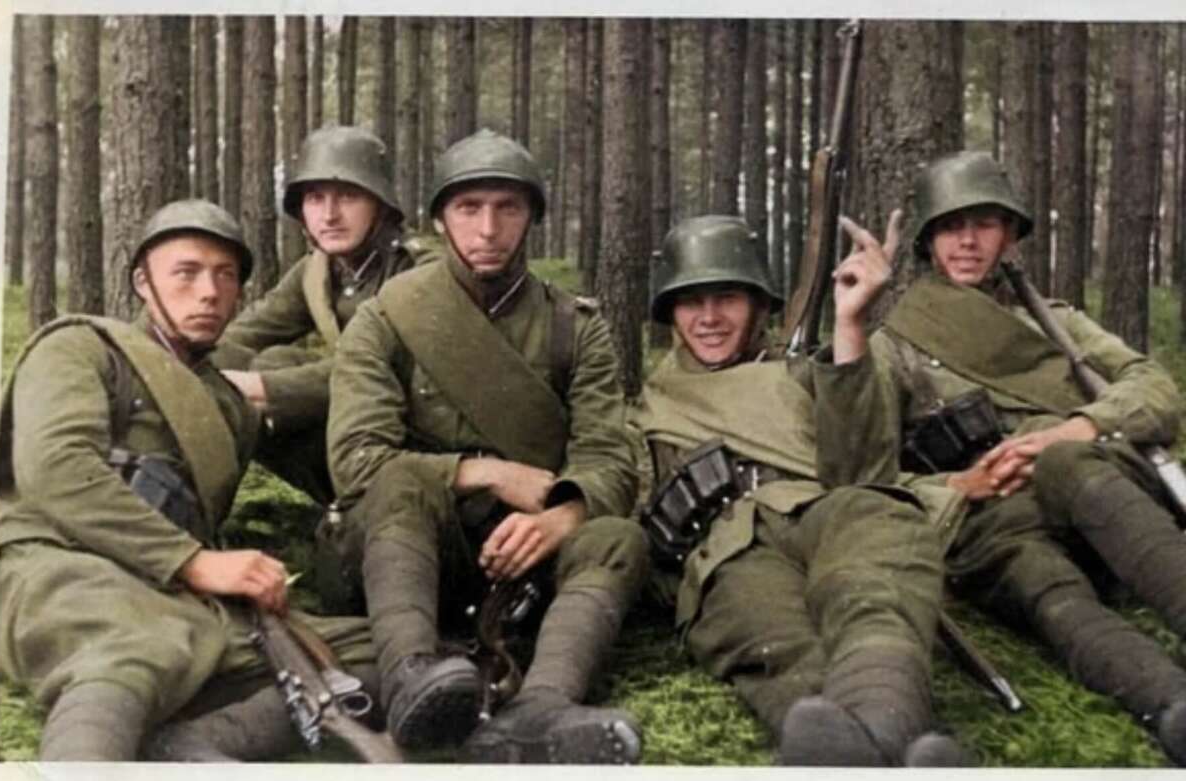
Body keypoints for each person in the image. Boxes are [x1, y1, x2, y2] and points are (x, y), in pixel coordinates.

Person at [0, 200, 377, 762]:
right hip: (55, 562)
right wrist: (194, 561)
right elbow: (57, 467)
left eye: (226, 276)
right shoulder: (81, 348)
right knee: (127, 650)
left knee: (367, 650)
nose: (209, 291)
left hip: (168, 589)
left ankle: (199, 745)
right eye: (187, 272)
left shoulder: (227, 404)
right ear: (142, 283)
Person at [327, 128, 649, 764]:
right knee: (398, 483)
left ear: (531, 217)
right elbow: (357, 462)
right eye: (468, 209)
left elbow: (609, 458)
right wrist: (490, 473)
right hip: (408, 552)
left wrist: (566, 516)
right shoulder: (387, 317)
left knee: (620, 539)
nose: (487, 229)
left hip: (525, 559)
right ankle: (409, 678)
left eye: (508, 208)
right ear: (442, 219)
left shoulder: (574, 329)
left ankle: (541, 707)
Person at [869, 150, 1186, 764]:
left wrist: (1074, 429)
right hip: (998, 528)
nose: (967, 241)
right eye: (952, 226)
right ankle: (1167, 701)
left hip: (1097, 503)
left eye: (985, 224)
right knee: (1045, 587)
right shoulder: (895, 348)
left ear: (1009, 235)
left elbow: (1154, 387)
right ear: (929, 240)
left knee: (1067, 465)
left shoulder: (1058, 324)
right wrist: (964, 484)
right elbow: (870, 477)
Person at [632, 214, 966, 766]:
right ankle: (885, 747)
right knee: (775, 642)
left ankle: (880, 723)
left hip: (830, 516)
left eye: (728, 298)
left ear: (760, 306)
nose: (710, 318)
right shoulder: (647, 408)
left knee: (872, 589)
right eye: (692, 301)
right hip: (731, 553)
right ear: (669, 312)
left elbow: (865, 474)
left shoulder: (806, 375)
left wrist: (851, 327)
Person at [215, 125, 436, 505]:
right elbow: (243, 335)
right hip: (361, 423)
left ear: (381, 205)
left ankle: (370, 506)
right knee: (271, 360)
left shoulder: (420, 269)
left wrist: (262, 388)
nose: (329, 215)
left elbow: (386, 368)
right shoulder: (319, 271)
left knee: (270, 376)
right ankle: (343, 506)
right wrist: (180, 372)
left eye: (348, 196)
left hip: (423, 430)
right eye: (316, 199)